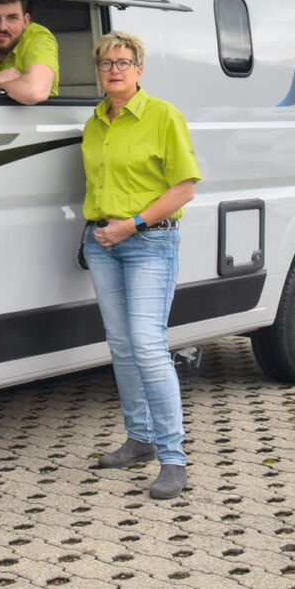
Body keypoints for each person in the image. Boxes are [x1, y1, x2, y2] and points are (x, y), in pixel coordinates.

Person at [80, 30, 200, 499]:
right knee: (123, 345)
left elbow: (184, 187)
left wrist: (130, 224)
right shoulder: (94, 122)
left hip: (149, 241)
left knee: (149, 346)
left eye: (123, 62)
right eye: (106, 63)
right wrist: (100, 230)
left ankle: (173, 458)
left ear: (139, 69)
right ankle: (139, 439)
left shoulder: (163, 116)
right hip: (102, 242)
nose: (114, 69)